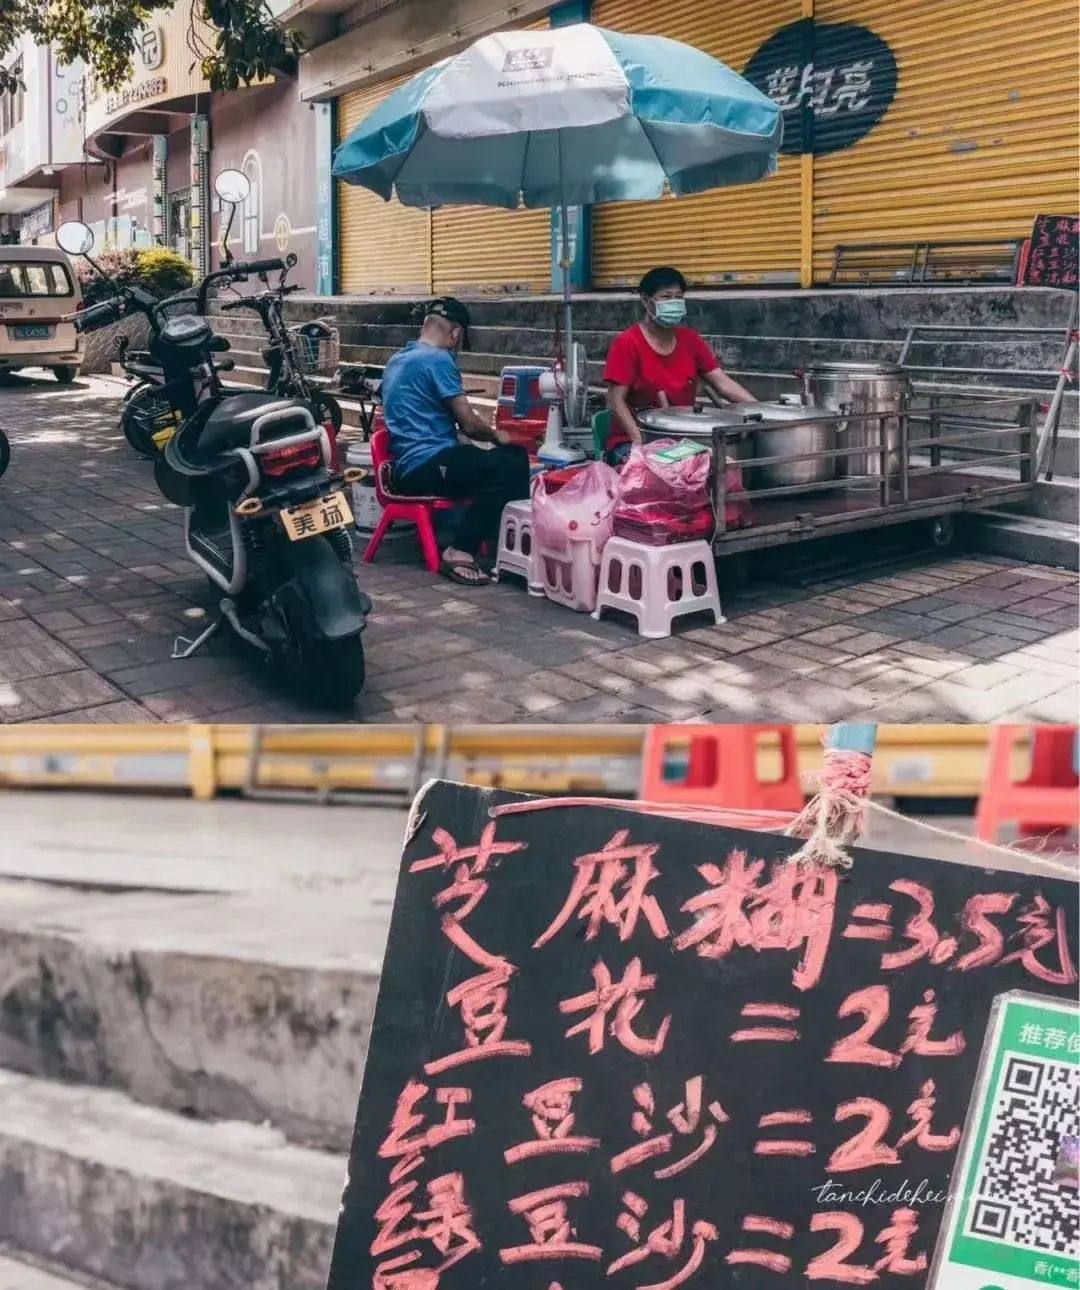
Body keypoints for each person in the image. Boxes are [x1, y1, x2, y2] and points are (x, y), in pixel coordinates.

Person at [381, 297, 530, 586]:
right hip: (424, 465)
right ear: (456, 333)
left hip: (409, 466)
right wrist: (496, 435)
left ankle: (502, 540)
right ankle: (460, 549)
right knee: (508, 466)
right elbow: (470, 424)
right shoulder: (438, 359)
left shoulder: (398, 359)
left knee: (514, 457)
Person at [602, 266, 758, 466]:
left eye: (678, 296)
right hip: (633, 441)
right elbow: (616, 401)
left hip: (684, 440)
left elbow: (722, 383)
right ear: (645, 300)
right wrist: (639, 441)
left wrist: (763, 412)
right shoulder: (626, 343)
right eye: (666, 297)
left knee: (728, 465)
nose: (673, 302)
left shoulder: (690, 340)